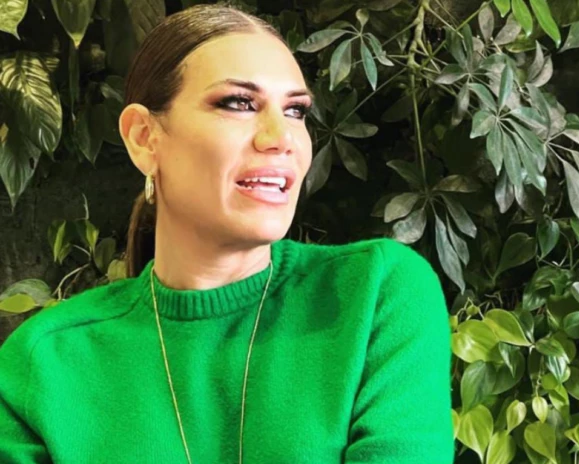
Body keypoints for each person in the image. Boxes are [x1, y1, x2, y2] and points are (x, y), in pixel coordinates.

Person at [0, 4, 453, 463]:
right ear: (144, 137)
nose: (282, 137)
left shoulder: (374, 294)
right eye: (239, 103)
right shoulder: (43, 363)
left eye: (296, 110)